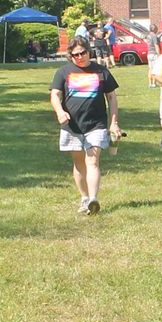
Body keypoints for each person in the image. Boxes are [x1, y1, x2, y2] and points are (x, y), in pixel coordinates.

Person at [51, 36, 120, 214]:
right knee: (79, 162)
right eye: (75, 55)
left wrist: (113, 123)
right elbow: (55, 95)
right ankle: (84, 197)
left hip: (96, 124)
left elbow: (111, 98)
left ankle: (93, 199)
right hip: (72, 126)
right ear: (70, 56)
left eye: (83, 53)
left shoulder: (101, 71)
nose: (80, 57)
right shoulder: (63, 72)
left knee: (93, 160)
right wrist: (60, 112)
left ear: (89, 51)